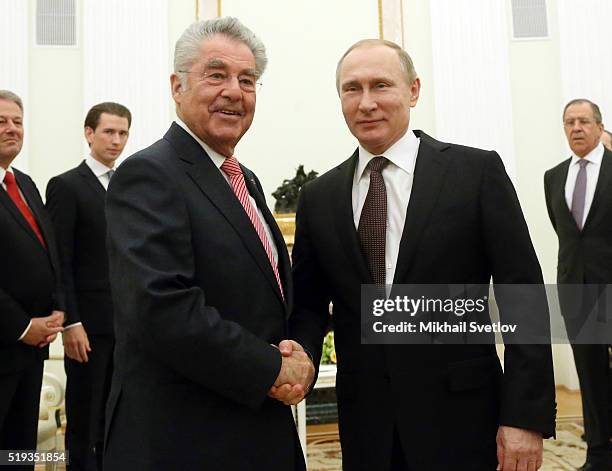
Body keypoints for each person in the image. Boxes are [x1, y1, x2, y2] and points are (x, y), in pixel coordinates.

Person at [288, 39, 556, 470]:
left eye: (381, 86)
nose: (367, 102)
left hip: (465, 419)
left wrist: (525, 416)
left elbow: (523, 297)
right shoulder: (318, 198)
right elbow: (310, 306)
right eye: (352, 89)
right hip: (368, 425)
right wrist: (298, 359)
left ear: (413, 90)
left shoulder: (476, 174)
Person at [103, 17, 313, 470]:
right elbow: (162, 307)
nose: (234, 91)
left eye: (248, 80)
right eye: (216, 75)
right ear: (177, 86)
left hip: (255, 432)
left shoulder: (245, 179)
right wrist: (270, 369)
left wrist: (300, 356)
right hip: (184, 440)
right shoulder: (149, 175)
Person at [45, 102, 131, 471]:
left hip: (129, 325)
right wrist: (71, 323)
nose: (116, 140)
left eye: (123, 133)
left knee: (120, 418)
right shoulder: (66, 186)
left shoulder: (129, 184)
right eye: (109, 132)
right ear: (89, 133)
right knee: (85, 419)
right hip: (88, 328)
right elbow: (59, 260)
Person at [544, 98, 612, 470]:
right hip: (576, 289)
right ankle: (599, 453)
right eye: (569, 122)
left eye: (584, 121)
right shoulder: (553, 176)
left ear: (600, 127)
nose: (576, 128)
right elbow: (568, 234)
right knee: (590, 372)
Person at [0, 90, 64, 468]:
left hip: (31, 349)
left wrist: (57, 309)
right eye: (1, 122)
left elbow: (48, 250)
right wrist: (23, 325)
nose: (12, 129)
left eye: (17, 122)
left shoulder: (23, 182)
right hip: (8, 340)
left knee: (18, 453)